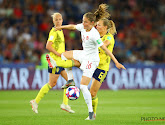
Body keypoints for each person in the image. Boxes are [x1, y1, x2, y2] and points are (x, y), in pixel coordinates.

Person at [46, 4, 126, 120]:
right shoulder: (86, 28)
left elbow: (105, 48)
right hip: (86, 56)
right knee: (64, 55)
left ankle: (92, 114)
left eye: (99, 25)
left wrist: (116, 62)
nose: (97, 26)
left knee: (91, 92)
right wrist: (61, 27)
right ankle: (70, 79)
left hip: (97, 64)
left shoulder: (103, 37)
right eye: (97, 25)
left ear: (104, 27)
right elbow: (73, 27)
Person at [30, 13, 75, 114]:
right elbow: (48, 46)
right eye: (56, 20)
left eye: (60, 19)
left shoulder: (60, 30)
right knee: (52, 83)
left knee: (70, 81)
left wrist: (63, 53)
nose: (58, 21)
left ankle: (65, 104)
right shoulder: (54, 32)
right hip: (55, 61)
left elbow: (58, 46)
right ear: (53, 21)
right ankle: (35, 101)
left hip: (61, 61)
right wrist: (58, 54)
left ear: (62, 20)